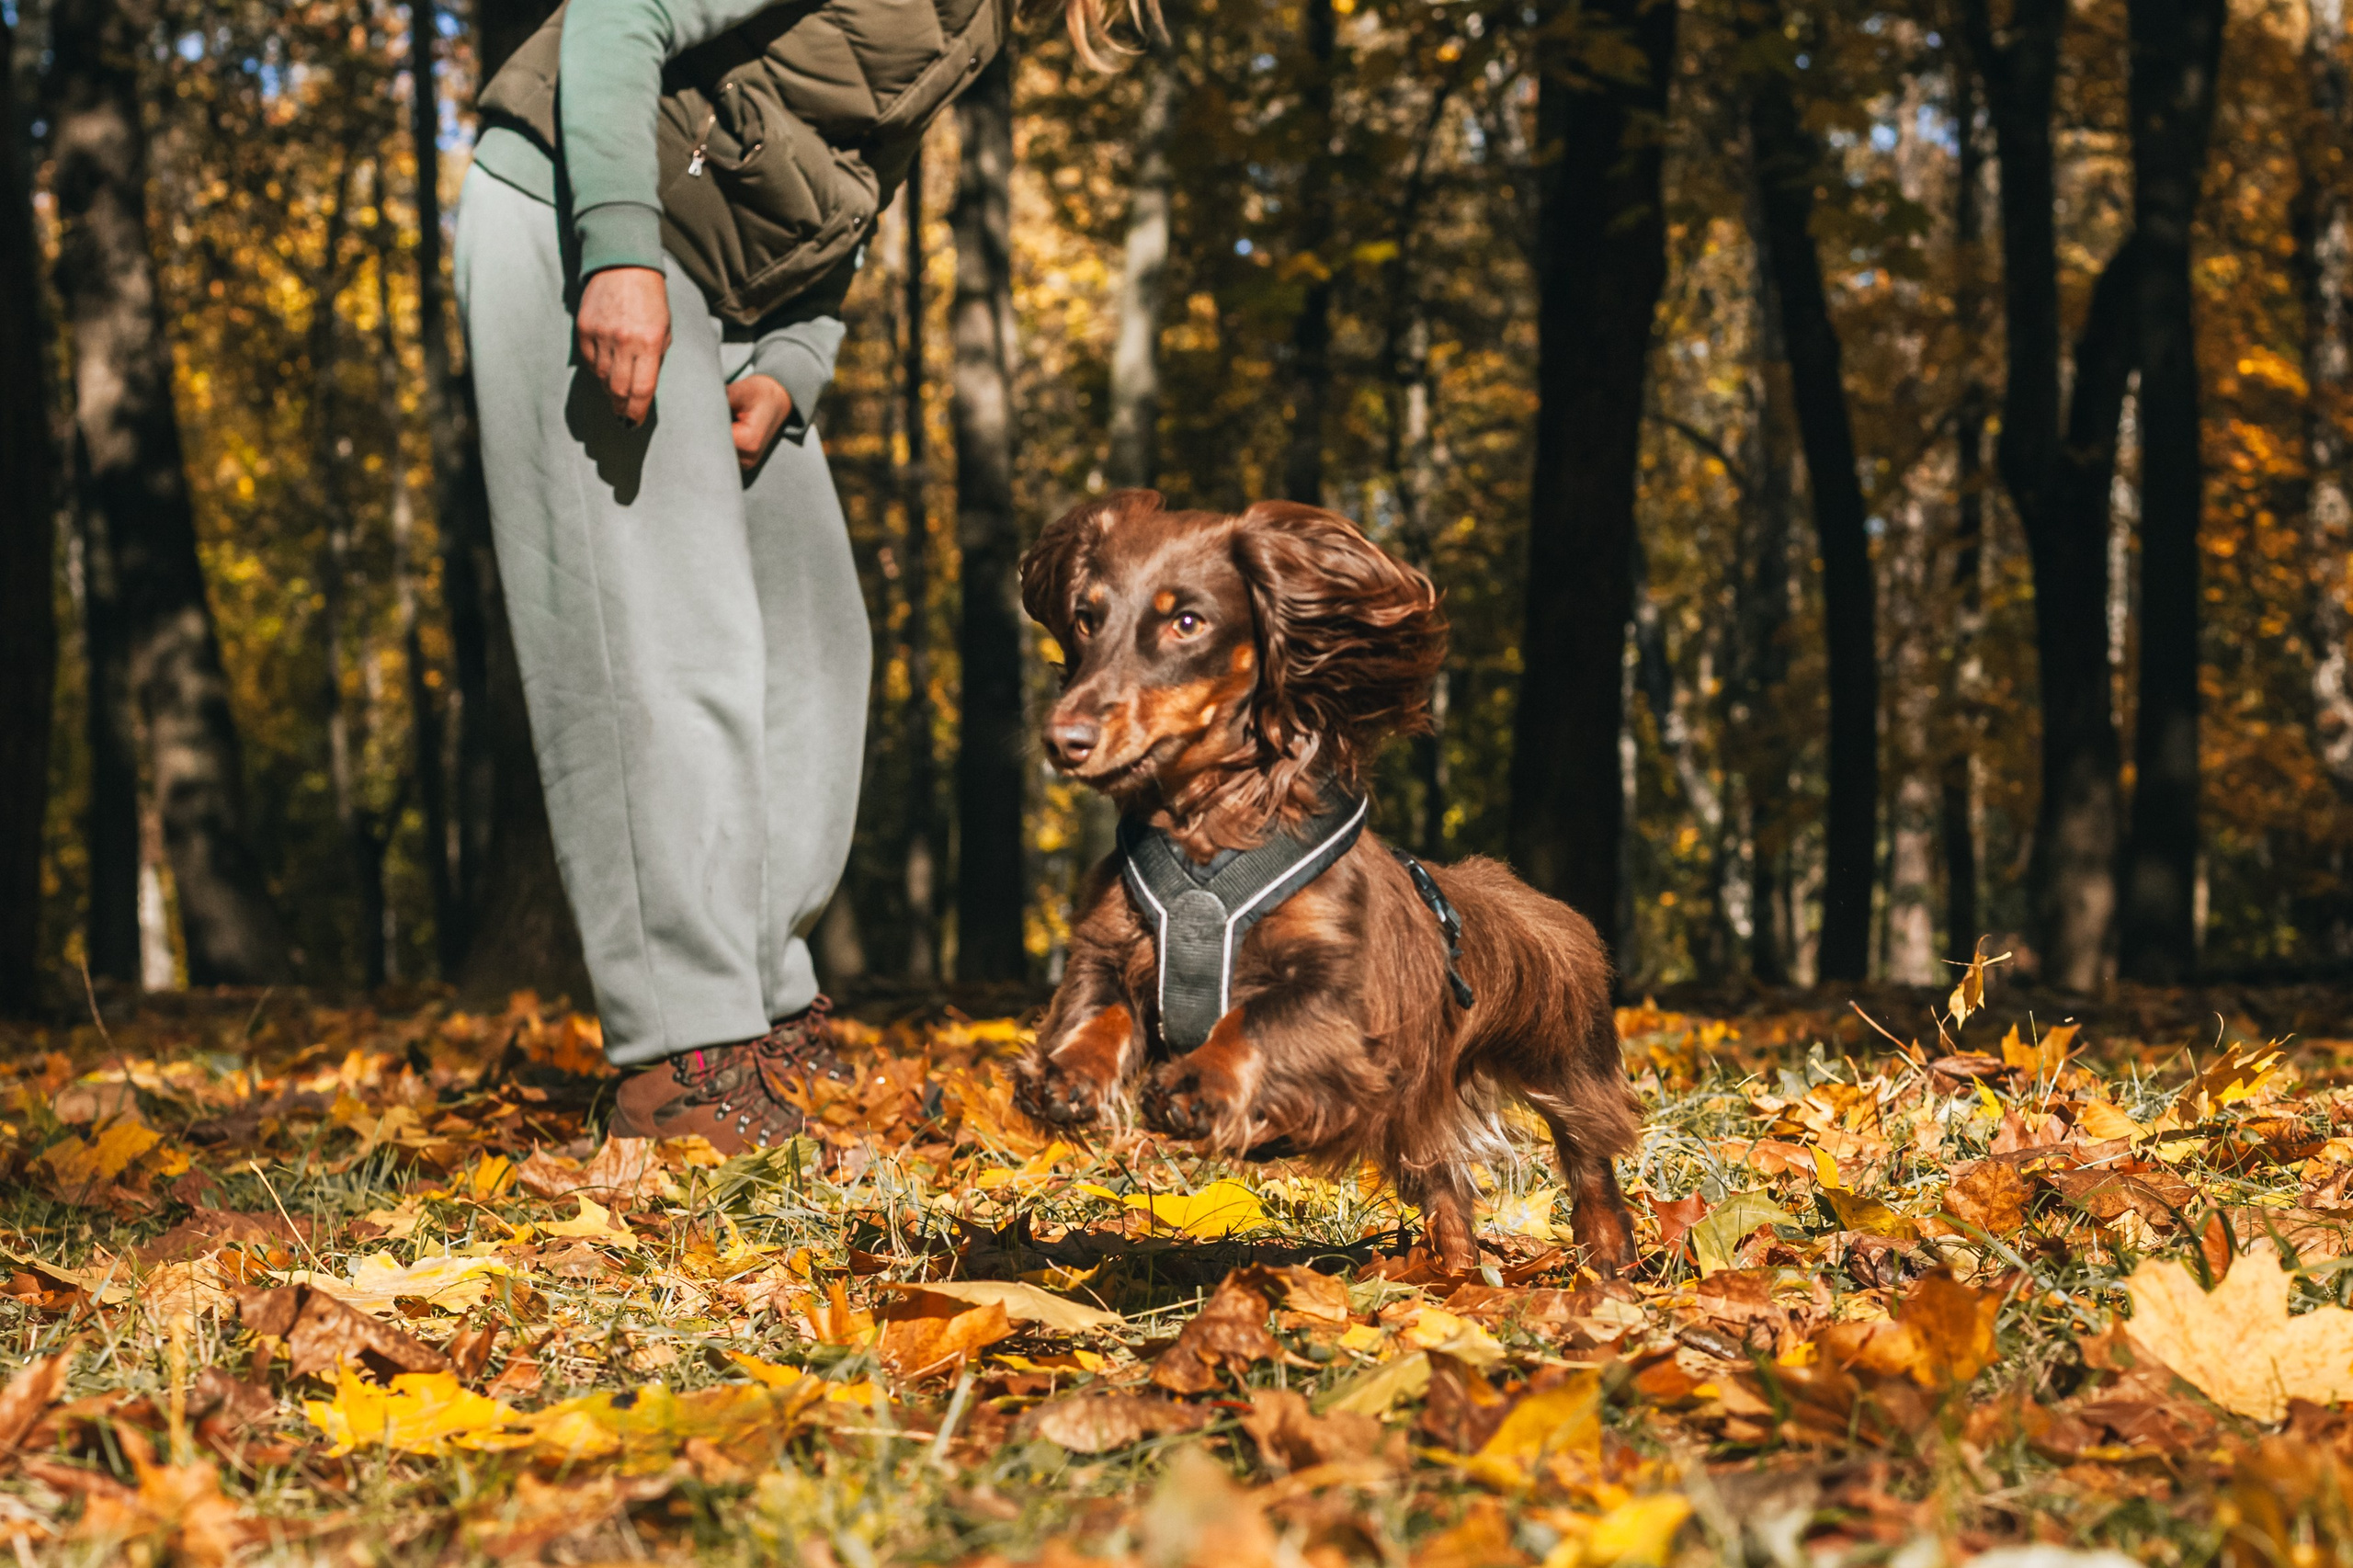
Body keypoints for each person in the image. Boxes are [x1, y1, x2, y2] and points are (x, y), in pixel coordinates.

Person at [457, 0, 1145, 1151]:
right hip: (586, 214)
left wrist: (796, 359)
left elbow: (858, 178)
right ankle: (681, 1057)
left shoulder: (976, 16)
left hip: (733, 296)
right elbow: (619, 19)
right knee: (670, 635)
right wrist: (619, 248)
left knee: (817, 647)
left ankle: (759, 1009)